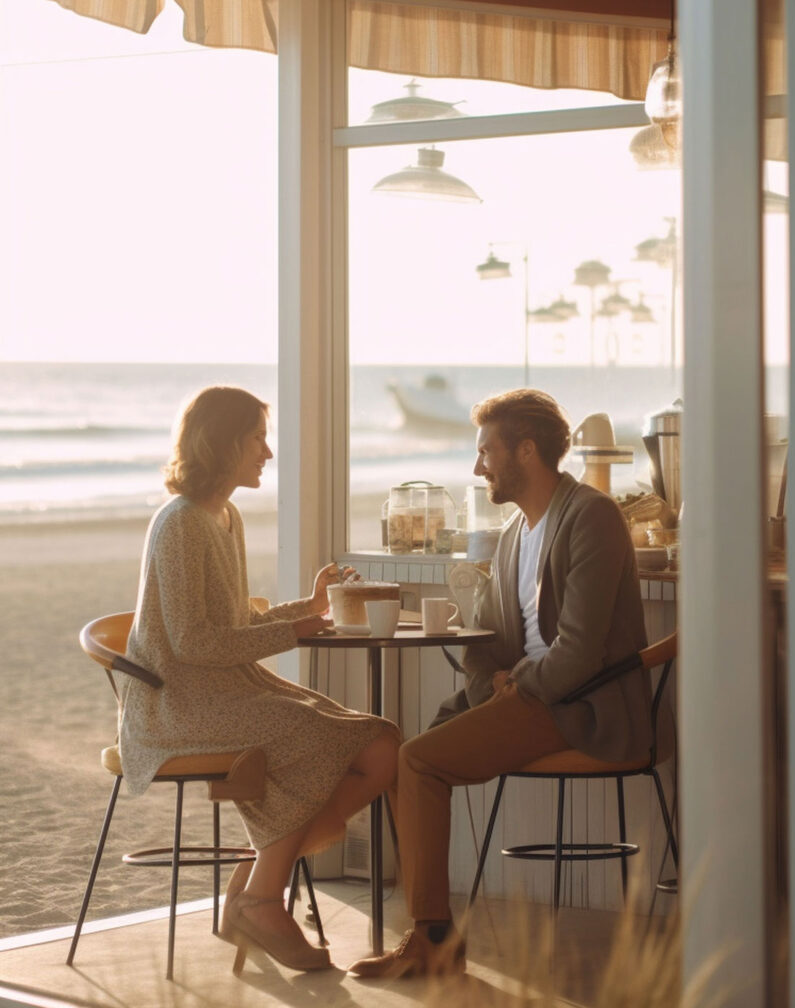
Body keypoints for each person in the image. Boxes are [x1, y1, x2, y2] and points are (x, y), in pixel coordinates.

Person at [349, 389, 649, 979]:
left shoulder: (591, 515)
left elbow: (582, 650)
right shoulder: (515, 532)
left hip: (579, 704)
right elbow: (484, 637)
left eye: (487, 450)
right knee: (399, 758)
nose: (478, 465)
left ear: (527, 450)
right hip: (526, 697)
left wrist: (521, 686)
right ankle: (432, 929)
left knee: (417, 761)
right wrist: (494, 683)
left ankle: (433, 937)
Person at [121, 385, 400, 973]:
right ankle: (262, 901)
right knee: (306, 729)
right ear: (222, 443)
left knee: (381, 743)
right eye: (257, 438)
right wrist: (295, 633)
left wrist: (310, 607)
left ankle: (254, 879)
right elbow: (194, 644)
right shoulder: (177, 524)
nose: (267, 452)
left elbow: (238, 622)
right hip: (177, 705)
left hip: (231, 688)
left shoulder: (225, 517)